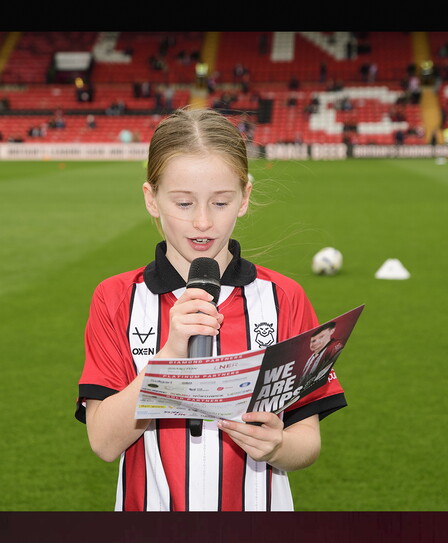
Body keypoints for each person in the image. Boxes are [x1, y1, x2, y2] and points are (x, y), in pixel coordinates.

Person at [75, 107, 347, 512]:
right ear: (152, 199)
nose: (202, 222)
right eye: (183, 203)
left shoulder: (284, 297)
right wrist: (167, 357)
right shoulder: (115, 298)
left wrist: (278, 445)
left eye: (220, 202)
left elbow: (307, 442)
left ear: (245, 198)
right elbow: (103, 442)